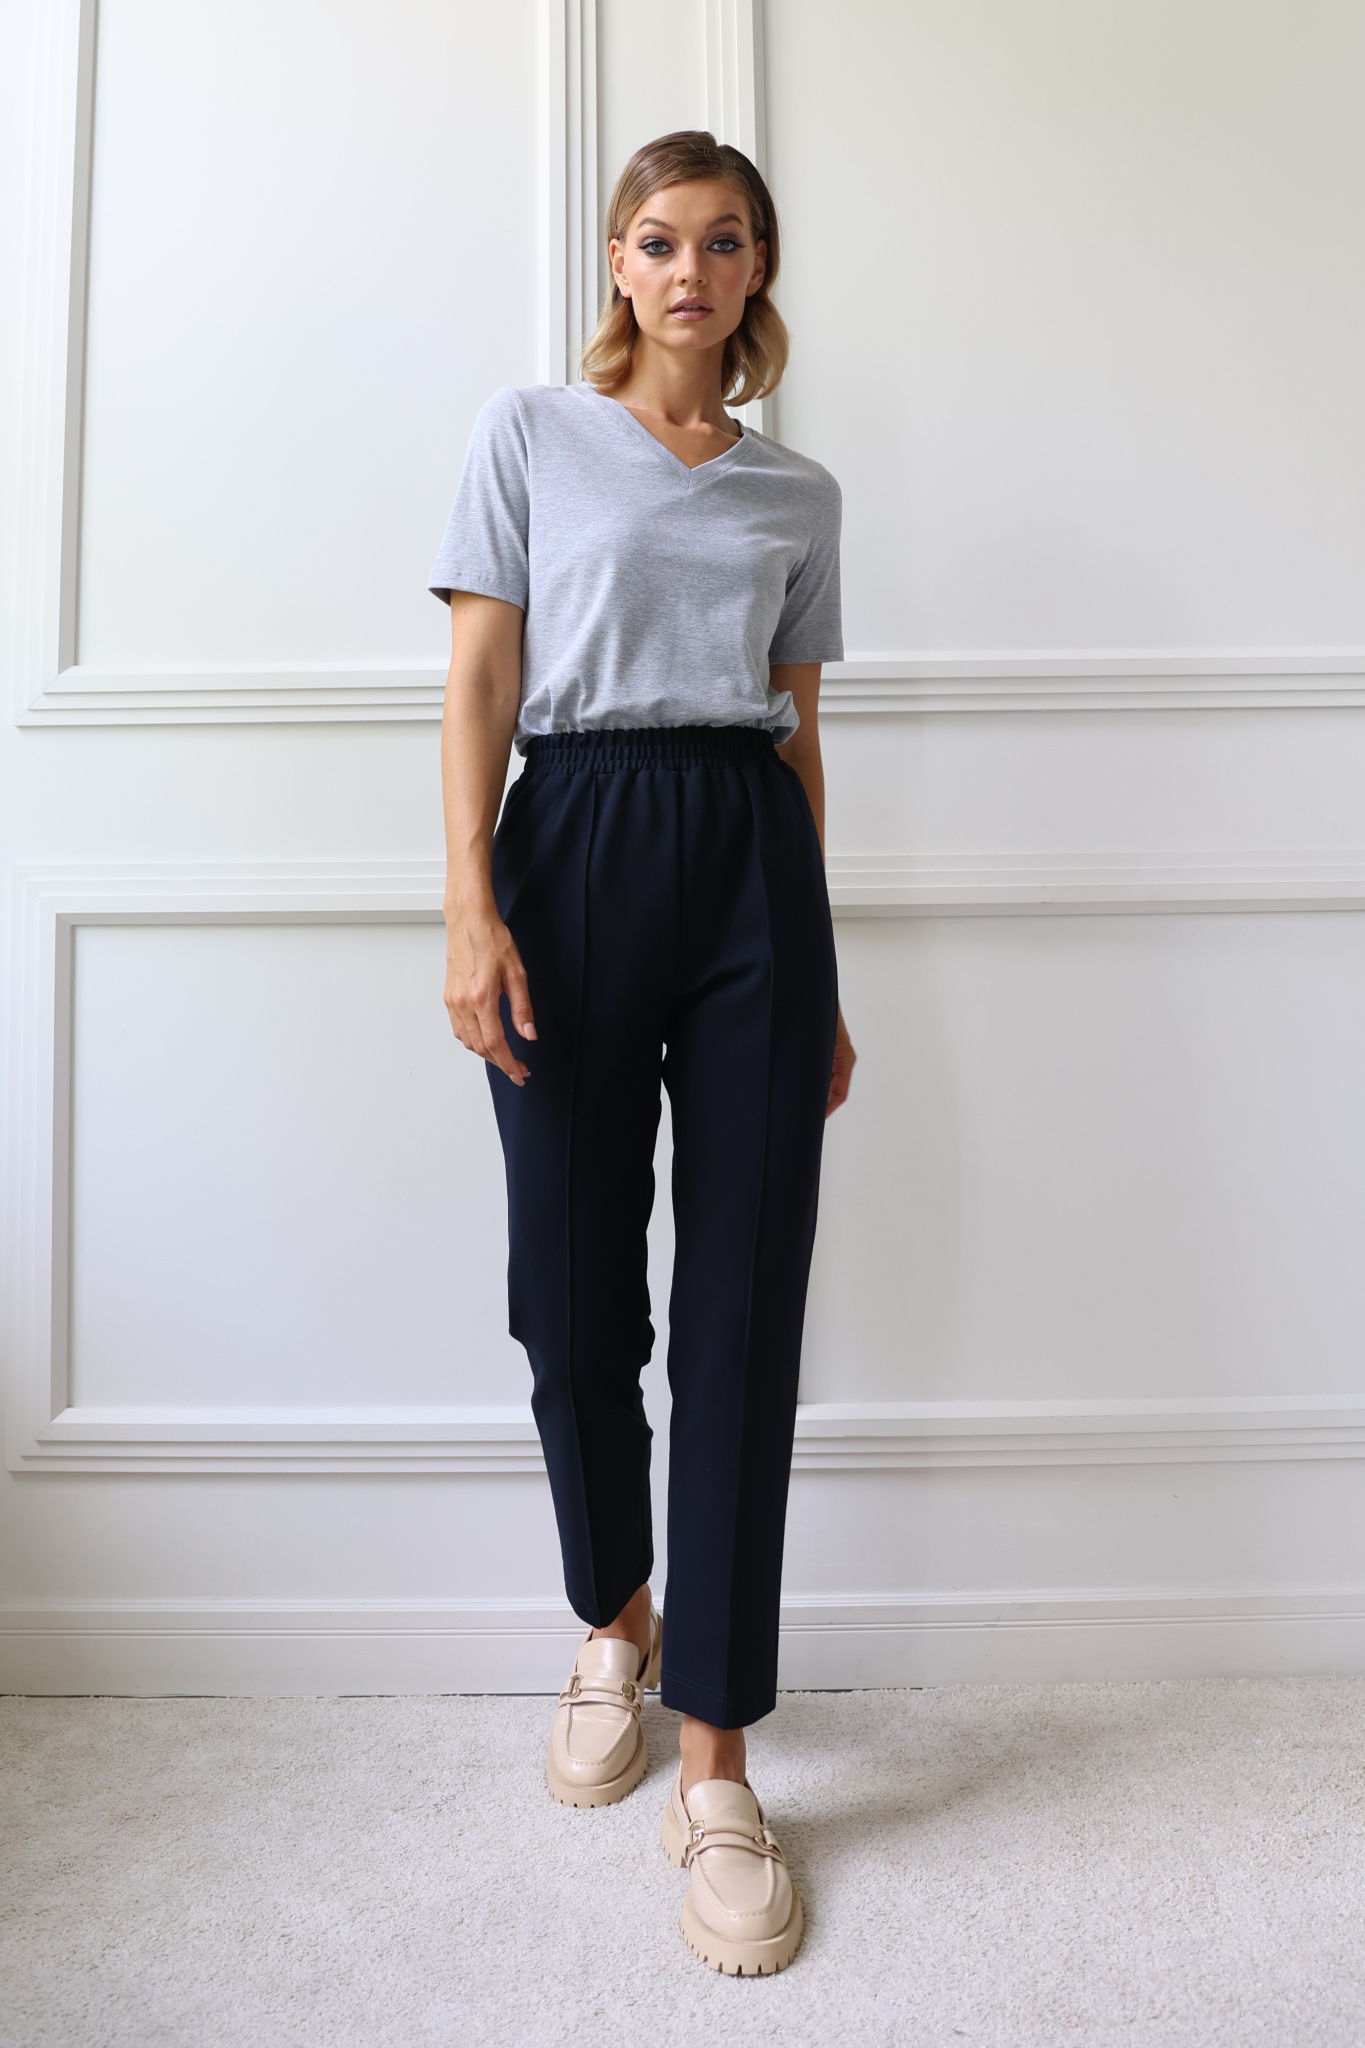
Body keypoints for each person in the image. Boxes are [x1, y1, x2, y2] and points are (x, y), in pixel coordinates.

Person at [431, 128, 855, 1977]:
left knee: (743, 1309)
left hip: (750, 865)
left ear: (757, 272)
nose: (693, 269)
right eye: (661, 240)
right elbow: (481, 677)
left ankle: (719, 1764)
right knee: (570, 1290)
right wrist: (470, 904)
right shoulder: (529, 435)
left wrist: (818, 967)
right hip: (575, 842)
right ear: (618, 262)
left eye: (726, 241)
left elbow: (798, 732)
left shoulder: (799, 494)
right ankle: (616, 1618)